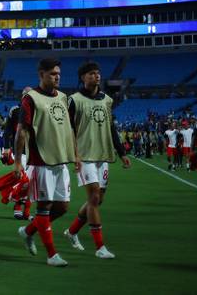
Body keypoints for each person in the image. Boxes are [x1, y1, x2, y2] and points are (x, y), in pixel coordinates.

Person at [14, 58, 80, 268]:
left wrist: (76, 154)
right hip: (40, 161)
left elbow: (69, 128)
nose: (57, 77)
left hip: (61, 161)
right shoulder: (30, 99)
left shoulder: (63, 97)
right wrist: (17, 162)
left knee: (62, 207)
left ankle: (28, 231)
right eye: (52, 73)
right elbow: (21, 131)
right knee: (44, 208)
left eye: (58, 73)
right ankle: (52, 254)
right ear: (41, 74)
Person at [63, 62, 130, 260]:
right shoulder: (73, 100)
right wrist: (73, 154)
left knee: (98, 200)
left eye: (98, 73)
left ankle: (72, 231)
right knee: (93, 198)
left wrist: (122, 152)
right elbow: (69, 130)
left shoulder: (107, 100)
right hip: (84, 156)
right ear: (83, 77)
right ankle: (100, 247)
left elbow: (111, 129)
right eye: (91, 73)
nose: (96, 76)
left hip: (103, 156)